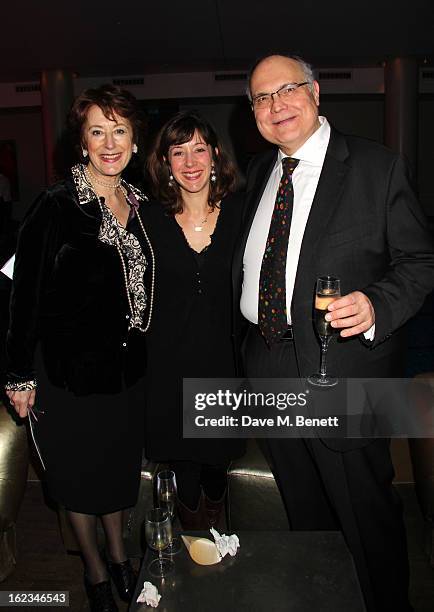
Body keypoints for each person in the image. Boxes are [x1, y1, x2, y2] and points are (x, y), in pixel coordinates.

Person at [233, 53, 434, 611]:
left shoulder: (377, 167)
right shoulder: (258, 174)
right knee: (305, 517)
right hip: (268, 368)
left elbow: (420, 261)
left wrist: (376, 303)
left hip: (343, 370)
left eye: (287, 90)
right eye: (261, 98)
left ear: (317, 92)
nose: (276, 106)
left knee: (365, 519)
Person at [5, 85, 154, 612]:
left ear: (136, 141)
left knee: (115, 475)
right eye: (97, 131)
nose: (109, 142)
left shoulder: (141, 204)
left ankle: (119, 556)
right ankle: (95, 572)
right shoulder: (55, 206)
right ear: (82, 142)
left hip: (126, 375)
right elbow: (22, 299)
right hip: (67, 377)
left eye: (120, 131)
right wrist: (19, 376)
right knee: (79, 482)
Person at [143, 112, 245, 528]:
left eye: (199, 149)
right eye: (178, 152)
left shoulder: (243, 213)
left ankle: (219, 532)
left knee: (216, 468)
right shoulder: (148, 220)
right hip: (168, 370)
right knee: (184, 471)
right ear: (165, 162)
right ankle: (193, 546)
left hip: (223, 366)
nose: (189, 161)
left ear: (215, 155)